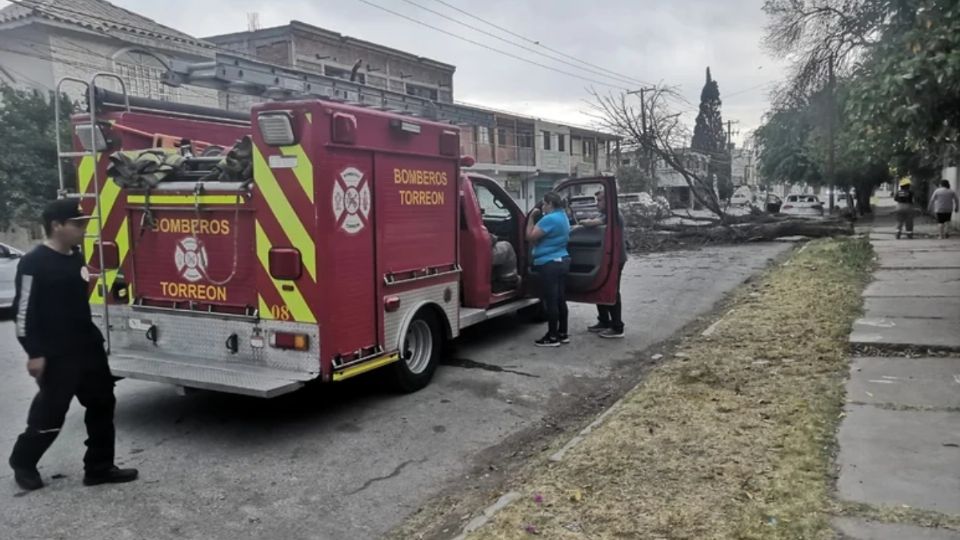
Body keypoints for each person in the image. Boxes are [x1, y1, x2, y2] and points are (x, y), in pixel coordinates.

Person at [9, 199, 138, 491]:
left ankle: (99, 467)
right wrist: (34, 353)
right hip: (56, 354)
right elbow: (22, 313)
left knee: (103, 404)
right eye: (77, 224)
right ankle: (23, 461)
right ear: (57, 226)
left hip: (88, 347)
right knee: (50, 413)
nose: (84, 228)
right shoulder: (33, 262)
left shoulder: (76, 256)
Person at [577, 189, 627, 338]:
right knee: (600, 287)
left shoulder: (614, 215)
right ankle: (604, 321)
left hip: (615, 259)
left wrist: (583, 222)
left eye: (600, 200)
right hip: (605, 257)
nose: (597, 203)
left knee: (611, 291)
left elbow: (593, 223)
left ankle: (617, 326)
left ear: (609, 201)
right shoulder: (605, 214)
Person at [526, 192, 571, 347]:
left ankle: (552, 336)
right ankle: (563, 333)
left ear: (550, 204)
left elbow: (530, 236)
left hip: (549, 263)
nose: (542, 207)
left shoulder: (549, 219)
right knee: (560, 299)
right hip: (562, 260)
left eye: (544, 204)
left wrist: (531, 217)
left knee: (551, 300)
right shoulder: (563, 216)